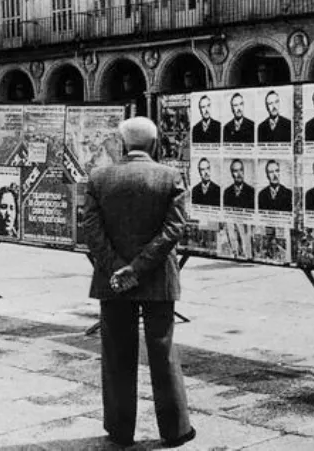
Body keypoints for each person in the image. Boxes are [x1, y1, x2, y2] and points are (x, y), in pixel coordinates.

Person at [83, 117, 194, 448]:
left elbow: (92, 230)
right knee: (162, 350)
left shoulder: (100, 177)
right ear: (155, 144)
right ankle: (175, 430)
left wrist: (119, 267)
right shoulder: (170, 177)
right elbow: (174, 229)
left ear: (121, 143)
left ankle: (120, 429)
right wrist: (139, 268)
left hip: (112, 279)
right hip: (157, 277)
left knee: (116, 352)